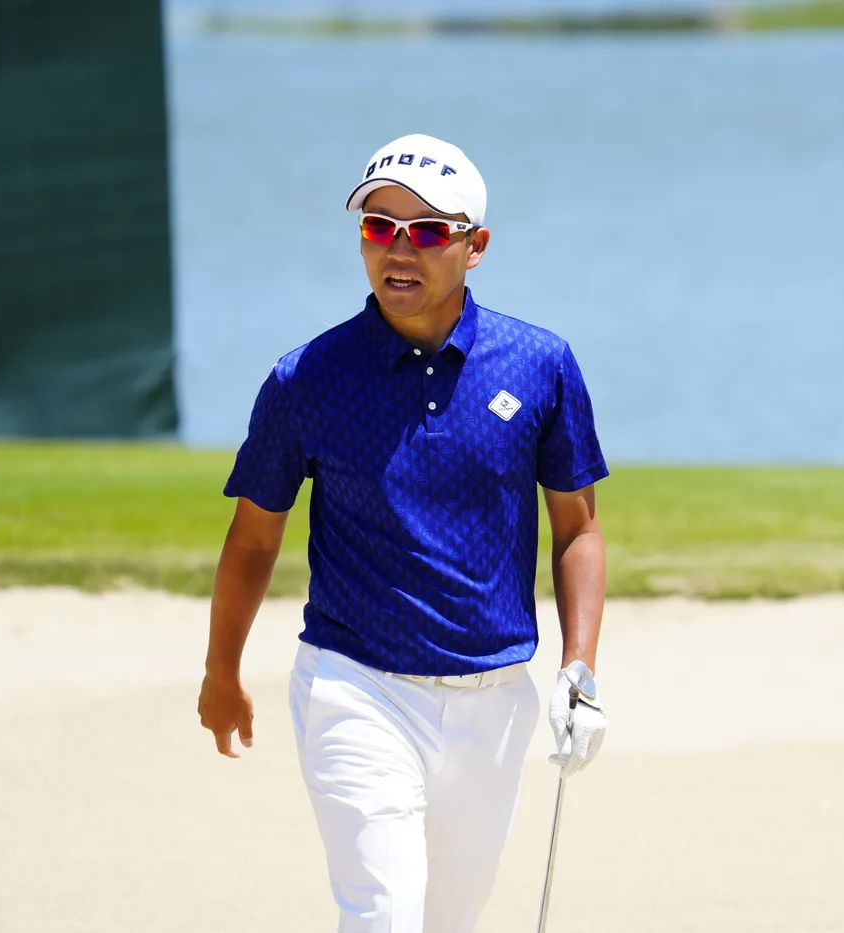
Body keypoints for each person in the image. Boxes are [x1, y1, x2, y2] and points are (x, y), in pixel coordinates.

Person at [196, 133, 609, 933]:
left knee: (449, 919)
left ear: (474, 247)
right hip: (357, 686)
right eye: (378, 227)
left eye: (425, 231)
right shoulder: (306, 378)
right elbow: (252, 538)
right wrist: (222, 671)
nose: (397, 249)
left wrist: (579, 665)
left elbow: (577, 529)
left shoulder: (539, 363)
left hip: (495, 699)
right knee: (383, 913)